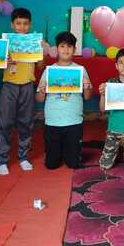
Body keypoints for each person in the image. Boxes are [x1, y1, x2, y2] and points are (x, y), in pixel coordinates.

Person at [0, 8, 44, 175]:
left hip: (28, 85)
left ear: (30, 25)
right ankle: (2, 159)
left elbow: (40, 66)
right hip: (9, 85)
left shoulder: (34, 42)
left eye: (25, 24)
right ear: (12, 25)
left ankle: (23, 156)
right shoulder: (6, 43)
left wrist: (40, 52)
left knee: (26, 122)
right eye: (18, 23)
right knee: (5, 122)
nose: (22, 27)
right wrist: (4, 60)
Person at [36, 32, 91, 170]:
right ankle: (57, 151)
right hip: (53, 122)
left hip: (74, 122)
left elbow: (87, 97)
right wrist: (42, 90)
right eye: (62, 46)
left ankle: (70, 151)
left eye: (69, 46)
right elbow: (39, 99)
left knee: (73, 163)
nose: (66, 50)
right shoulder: (49, 71)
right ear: (57, 49)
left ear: (74, 49)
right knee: (51, 165)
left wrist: (87, 86)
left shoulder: (80, 70)